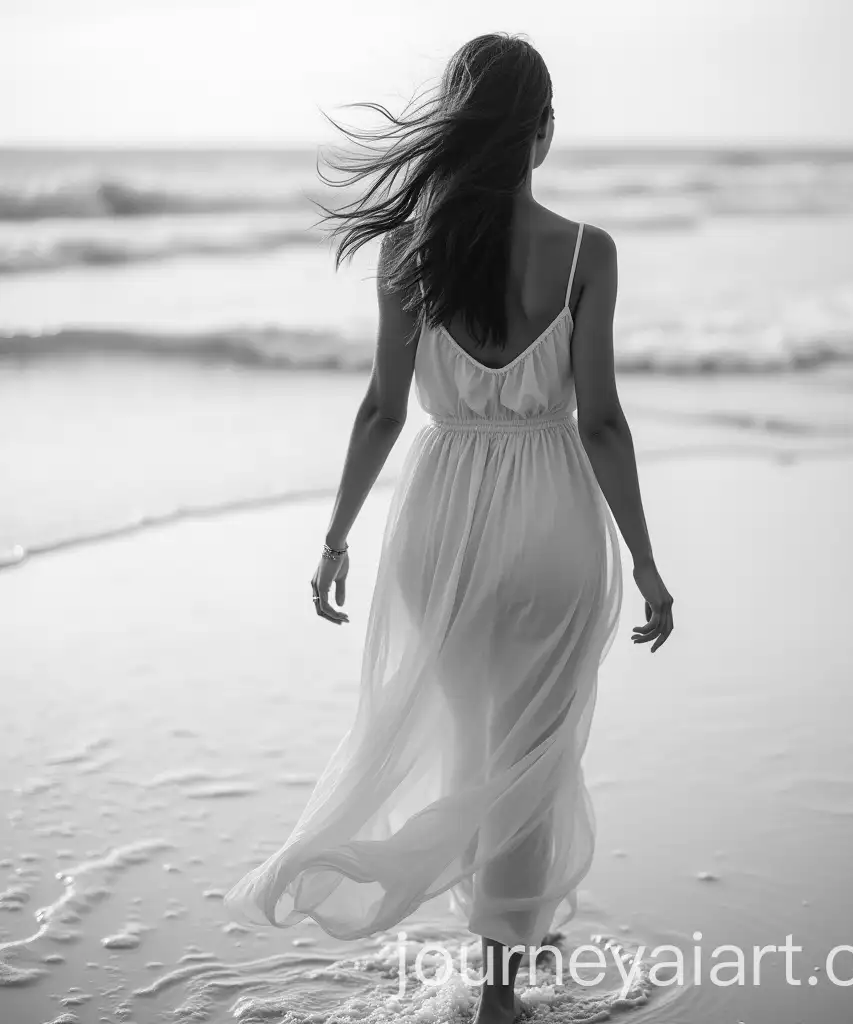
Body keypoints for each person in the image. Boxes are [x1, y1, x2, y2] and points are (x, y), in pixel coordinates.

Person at [224, 31, 673, 1024]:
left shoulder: (406, 251)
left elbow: (383, 410)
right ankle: (502, 984)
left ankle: (508, 931)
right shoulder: (586, 253)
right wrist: (645, 560)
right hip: (552, 518)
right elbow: (598, 418)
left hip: (440, 522)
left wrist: (336, 535)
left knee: (478, 742)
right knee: (535, 747)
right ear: (541, 135)